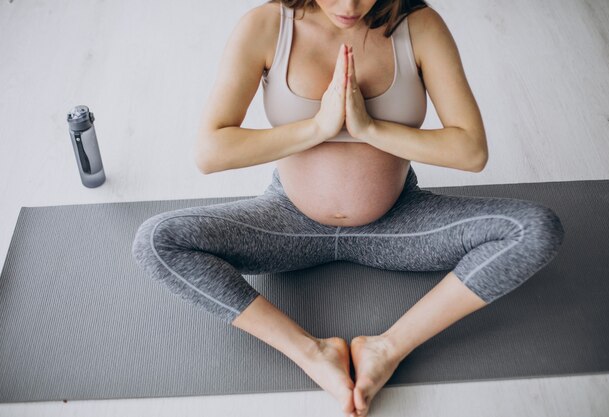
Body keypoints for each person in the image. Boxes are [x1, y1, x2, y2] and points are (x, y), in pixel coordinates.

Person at [132, 1, 565, 416]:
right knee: (157, 240)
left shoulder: (420, 26)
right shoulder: (266, 26)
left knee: (535, 230)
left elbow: (471, 151)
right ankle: (310, 352)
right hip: (287, 223)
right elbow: (211, 152)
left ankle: (386, 348)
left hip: (399, 223)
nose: (349, 4)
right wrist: (319, 126)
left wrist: (368, 127)